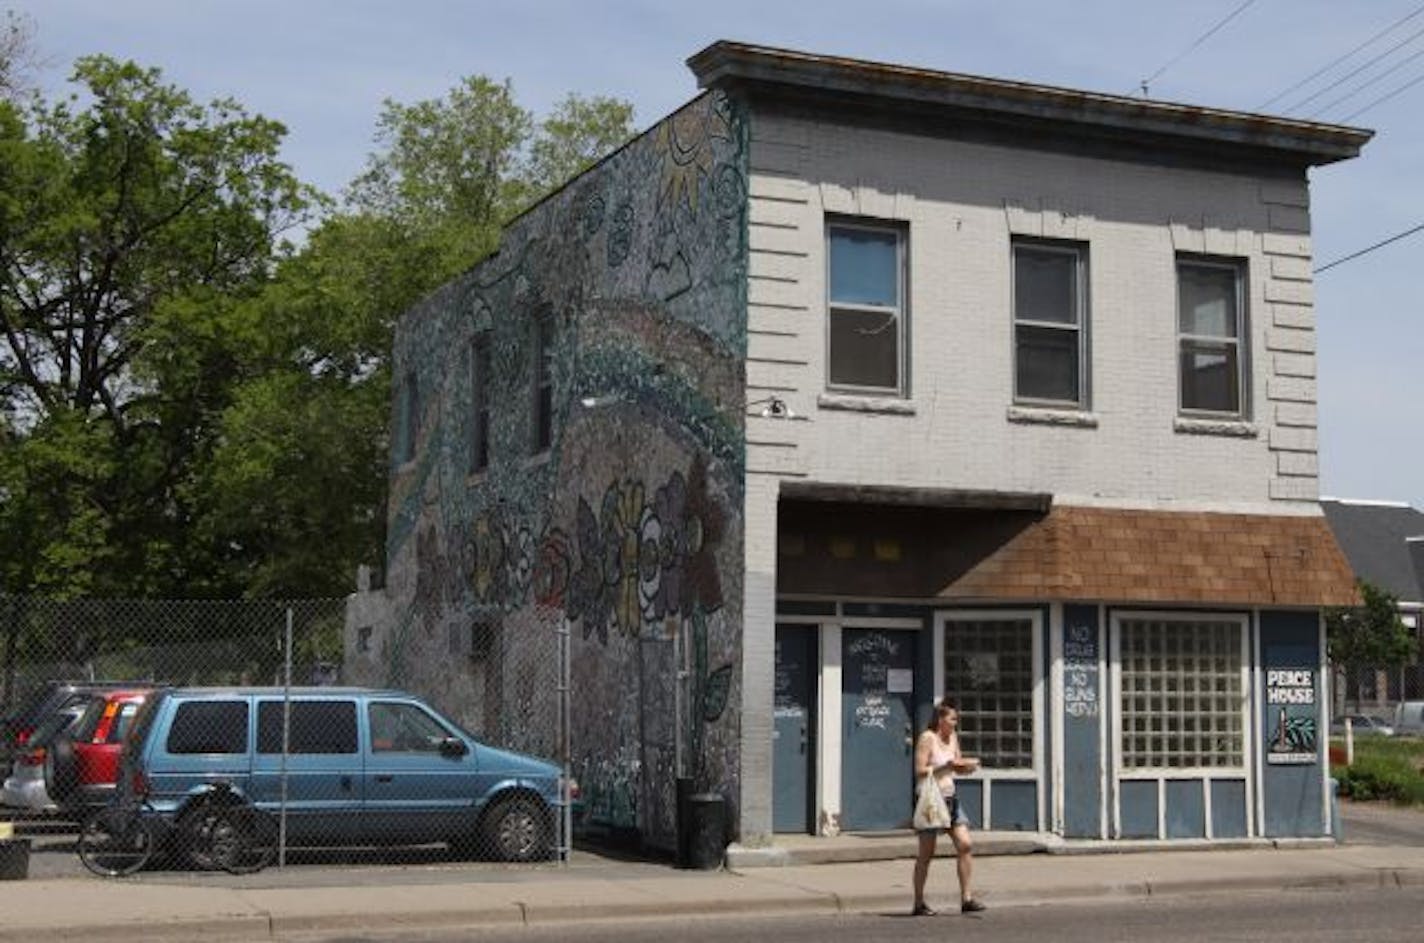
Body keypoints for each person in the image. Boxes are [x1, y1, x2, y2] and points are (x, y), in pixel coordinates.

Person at [911, 699, 986, 916]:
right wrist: (946, 766)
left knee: (965, 844)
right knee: (927, 853)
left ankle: (966, 898)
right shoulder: (928, 738)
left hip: (950, 797)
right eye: (952, 719)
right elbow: (920, 770)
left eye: (956, 719)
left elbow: (957, 764)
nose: (955, 723)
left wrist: (966, 769)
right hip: (930, 800)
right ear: (940, 719)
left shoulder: (952, 737)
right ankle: (918, 902)